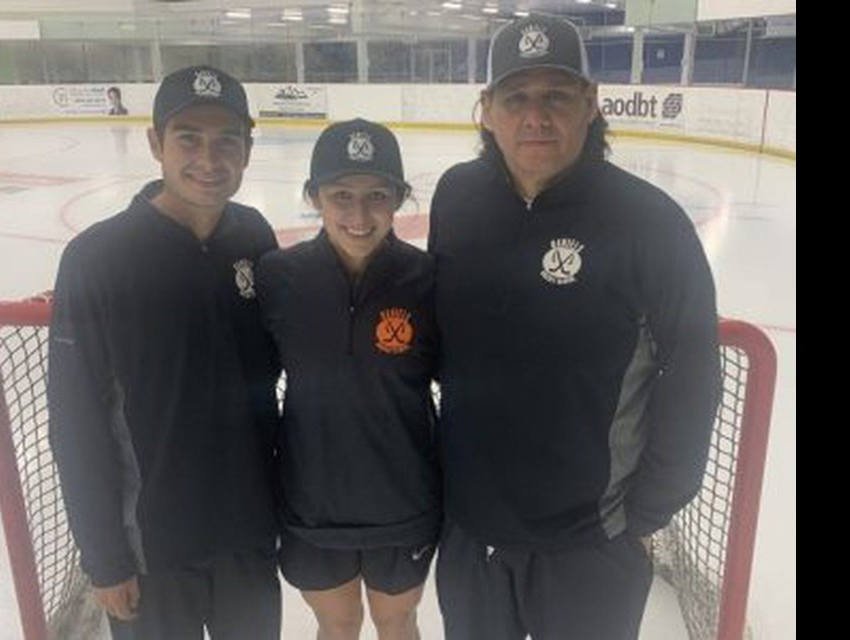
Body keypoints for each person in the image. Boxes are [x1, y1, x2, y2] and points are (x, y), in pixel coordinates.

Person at [427, 13, 721, 640]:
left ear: (590, 104)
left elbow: (693, 372)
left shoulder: (650, 223)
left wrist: (647, 509)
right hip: (473, 537)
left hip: (591, 545)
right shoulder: (455, 198)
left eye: (556, 96)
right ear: (487, 109)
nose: (536, 116)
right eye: (517, 98)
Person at [48, 65, 281, 640]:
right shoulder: (98, 258)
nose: (210, 158)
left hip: (247, 539)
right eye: (188, 139)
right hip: (151, 550)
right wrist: (104, 558)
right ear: (155, 144)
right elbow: (74, 422)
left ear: (248, 151)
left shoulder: (253, 237)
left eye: (228, 140)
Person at [256, 119, 440, 640]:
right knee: (337, 624)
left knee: (397, 621)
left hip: (403, 502)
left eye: (377, 195)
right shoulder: (277, 277)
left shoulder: (428, 280)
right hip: (311, 503)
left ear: (400, 197)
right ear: (314, 197)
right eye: (341, 195)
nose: (359, 215)